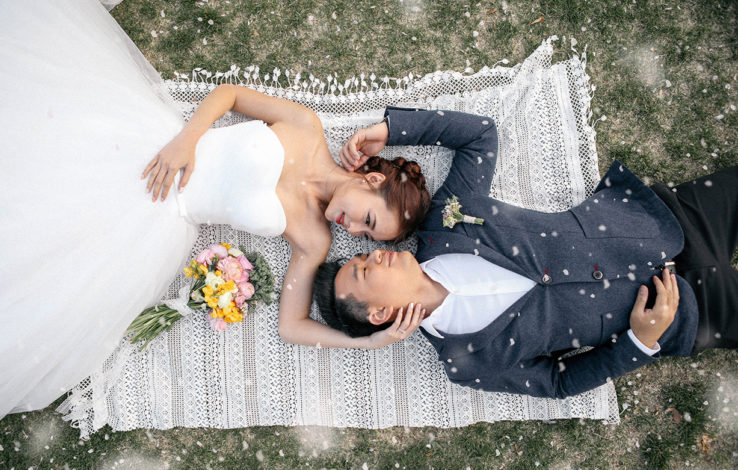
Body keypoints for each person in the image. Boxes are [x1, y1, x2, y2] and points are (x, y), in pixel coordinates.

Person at [0, 1, 429, 445]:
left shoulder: (313, 239)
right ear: (369, 179)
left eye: (367, 235)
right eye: (368, 219)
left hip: (154, 220)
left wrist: (367, 346)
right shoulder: (307, 127)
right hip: (156, 150)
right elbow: (230, 95)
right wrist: (188, 138)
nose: (355, 231)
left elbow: (291, 327)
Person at [313, 107, 737, 399]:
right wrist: (640, 343)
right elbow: (557, 383)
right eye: (364, 270)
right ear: (379, 315)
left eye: (363, 256)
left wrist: (390, 130)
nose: (373, 256)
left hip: (663, 221)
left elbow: (479, 136)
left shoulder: (444, 221)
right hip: (687, 312)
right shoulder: (465, 361)